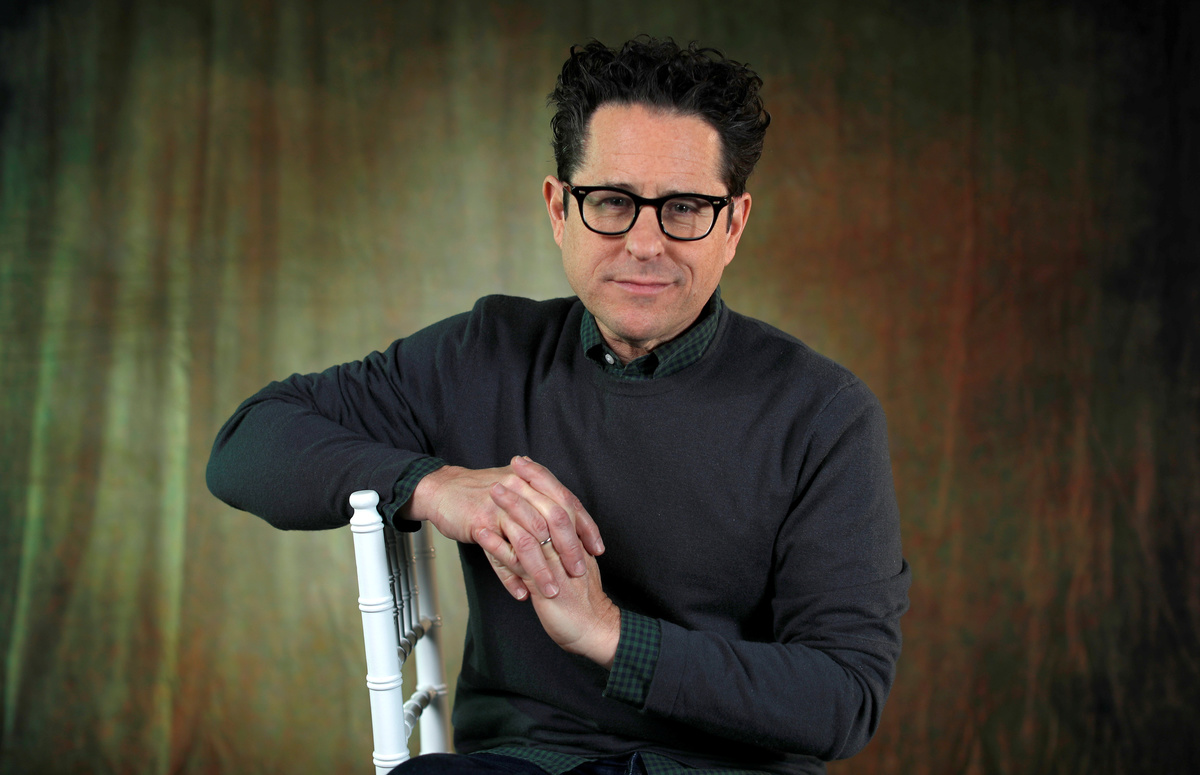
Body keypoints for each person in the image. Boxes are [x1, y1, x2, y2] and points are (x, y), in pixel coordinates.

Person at [207, 36, 910, 775]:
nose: (645, 243)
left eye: (684, 208)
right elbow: (248, 443)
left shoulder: (825, 414)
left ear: (732, 225)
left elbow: (843, 698)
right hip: (520, 764)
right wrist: (433, 486)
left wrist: (608, 633)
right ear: (558, 209)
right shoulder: (484, 352)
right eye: (612, 202)